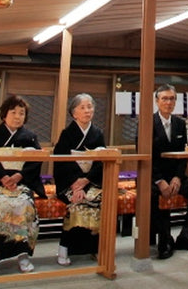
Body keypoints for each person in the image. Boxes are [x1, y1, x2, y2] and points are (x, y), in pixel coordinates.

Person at [0, 95, 46, 277]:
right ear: (4, 115)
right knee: (2, 207)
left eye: (21, 113)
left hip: (21, 184)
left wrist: (18, 175)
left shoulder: (30, 137)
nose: (17, 116)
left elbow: (36, 161)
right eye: (13, 112)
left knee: (24, 207)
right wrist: (2, 177)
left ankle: (23, 254)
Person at [52, 93, 105, 266]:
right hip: (70, 183)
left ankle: (96, 248)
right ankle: (64, 247)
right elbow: (62, 162)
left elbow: (100, 162)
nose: (87, 110)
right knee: (77, 202)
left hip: (90, 182)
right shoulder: (67, 134)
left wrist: (86, 180)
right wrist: (76, 183)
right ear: (74, 113)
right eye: (82, 107)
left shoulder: (98, 133)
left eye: (90, 107)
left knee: (99, 200)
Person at [149, 83, 188, 259]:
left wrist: (177, 178)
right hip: (153, 176)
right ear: (157, 101)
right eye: (165, 98)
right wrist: (160, 181)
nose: (169, 102)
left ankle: (185, 234)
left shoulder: (180, 124)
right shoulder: (147, 122)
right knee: (153, 195)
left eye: (172, 98)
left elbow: (183, 154)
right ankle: (164, 239)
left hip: (176, 176)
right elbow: (147, 156)